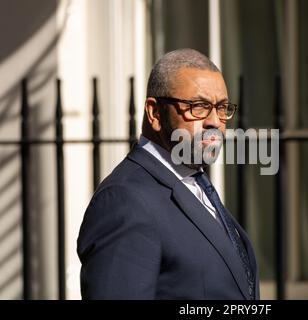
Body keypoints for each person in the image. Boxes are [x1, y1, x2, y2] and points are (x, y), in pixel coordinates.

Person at [77, 48, 259, 299]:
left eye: (222, 108)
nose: (215, 121)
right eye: (199, 106)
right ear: (154, 113)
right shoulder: (124, 201)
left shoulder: (195, 181)